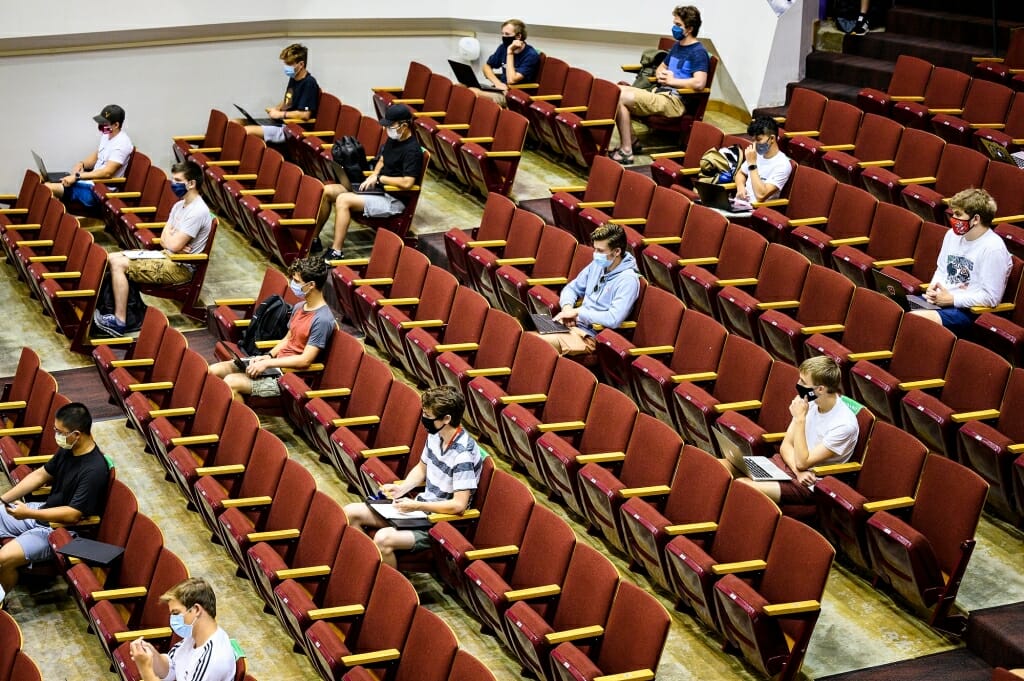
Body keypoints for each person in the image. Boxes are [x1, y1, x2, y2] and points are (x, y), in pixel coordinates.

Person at [342, 386, 484, 568]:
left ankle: (392, 591)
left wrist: (417, 505)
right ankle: (369, 569)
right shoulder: (436, 434)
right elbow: (422, 468)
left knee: (383, 539)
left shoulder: (462, 455)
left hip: (439, 522)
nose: (423, 419)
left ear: (446, 419)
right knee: (350, 513)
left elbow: (458, 506)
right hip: (419, 510)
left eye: (428, 415)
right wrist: (402, 489)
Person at [0, 402, 108, 606]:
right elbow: (41, 474)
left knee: (4, 557)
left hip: (62, 531)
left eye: (60, 431)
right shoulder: (68, 449)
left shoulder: (94, 470)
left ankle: (1, 600)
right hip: (41, 513)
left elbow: (73, 514)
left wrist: (29, 514)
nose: (56, 435)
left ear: (77, 434)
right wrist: (3, 499)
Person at [93, 160, 213, 336]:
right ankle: (119, 312)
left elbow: (172, 243)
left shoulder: (198, 211)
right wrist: (171, 241)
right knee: (111, 257)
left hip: (181, 267)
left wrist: (172, 242)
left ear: (192, 183)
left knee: (119, 265)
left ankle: (119, 321)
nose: (174, 184)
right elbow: (165, 240)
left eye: (178, 181)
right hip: (167, 256)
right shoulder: (179, 205)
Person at [727, 356, 859, 505]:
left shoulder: (844, 425)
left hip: (808, 484)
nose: (798, 384)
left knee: (742, 485)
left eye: (803, 381)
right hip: (786, 466)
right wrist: (797, 471)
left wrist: (800, 419)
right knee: (723, 467)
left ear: (820, 389)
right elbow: (785, 446)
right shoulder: (810, 399)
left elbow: (804, 462)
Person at [208, 256, 334, 401]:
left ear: (311, 285)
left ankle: (241, 422)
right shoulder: (300, 307)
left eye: (297, 281)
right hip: (274, 364)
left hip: (290, 376)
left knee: (231, 382)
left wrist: (268, 363)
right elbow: (288, 339)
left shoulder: (322, 319)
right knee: (213, 371)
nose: (293, 284)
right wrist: (268, 356)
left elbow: (305, 360)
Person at [319, 104, 423, 262]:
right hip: (379, 190)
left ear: (404, 125)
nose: (388, 129)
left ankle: (336, 252)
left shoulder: (412, 151)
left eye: (391, 125)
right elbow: (382, 159)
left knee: (343, 200)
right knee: (327, 191)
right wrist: (373, 174)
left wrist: (381, 178)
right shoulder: (393, 140)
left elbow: (408, 182)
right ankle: (313, 241)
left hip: (393, 200)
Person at [610, 5, 709, 165]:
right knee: (614, 92)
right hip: (659, 93)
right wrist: (660, 74)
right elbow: (662, 66)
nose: (674, 28)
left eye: (678, 25)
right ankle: (631, 142)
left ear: (689, 28)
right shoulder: (678, 46)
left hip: (674, 102)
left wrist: (672, 81)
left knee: (620, 96)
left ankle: (627, 151)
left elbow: (699, 82)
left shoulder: (698, 52)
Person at [913, 188, 1012, 337]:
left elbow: (991, 298)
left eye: (958, 214)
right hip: (941, 301)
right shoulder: (951, 235)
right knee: (894, 308)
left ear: (976, 219)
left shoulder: (993, 249)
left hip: (968, 312)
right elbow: (941, 270)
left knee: (916, 320)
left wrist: (953, 299)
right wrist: (933, 290)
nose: (953, 218)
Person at [539, 223, 641, 356]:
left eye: (600, 251)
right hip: (572, 326)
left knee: (538, 345)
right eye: (595, 249)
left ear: (617, 251)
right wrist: (567, 308)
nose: (595, 254)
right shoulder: (597, 265)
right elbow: (571, 288)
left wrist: (578, 312)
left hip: (591, 336)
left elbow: (614, 318)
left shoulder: (628, 280)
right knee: (524, 336)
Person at [129, 577, 235, 681]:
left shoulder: (214, 659)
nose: (172, 620)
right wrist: (152, 655)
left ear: (196, 610)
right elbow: (172, 669)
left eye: (176, 613)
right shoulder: (194, 636)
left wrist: (145, 669)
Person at [45, 104, 133, 208]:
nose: (100, 125)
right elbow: (97, 156)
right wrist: (81, 164)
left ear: (116, 125)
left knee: (46, 188)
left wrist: (77, 177)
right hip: (89, 183)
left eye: (104, 123)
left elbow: (107, 173)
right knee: (45, 180)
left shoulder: (122, 144)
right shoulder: (106, 135)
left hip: (98, 191)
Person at [239, 43, 319, 145]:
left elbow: (305, 114)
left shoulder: (309, 83)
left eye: (289, 64)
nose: (286, 67)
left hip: (292, 128)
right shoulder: (294, 78)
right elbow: (288, 101)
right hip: (282, 122)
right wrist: (276, 109)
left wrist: (280, 114)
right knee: (237, 123)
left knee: (246, 131)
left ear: (301, 65)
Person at [473, 19, 541, 106]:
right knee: (461, 87)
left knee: (473, 92)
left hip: (514, 94)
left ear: (518, 37)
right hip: (500, 89)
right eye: (503, 33)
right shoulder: (503, 47)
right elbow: (486, 66)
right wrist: (497, 83)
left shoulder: (531, 55)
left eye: (507, 34)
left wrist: (510, 52)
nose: (504, 37)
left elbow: (511, 80)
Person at [732, 115, 792, 207]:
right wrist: (740, 188)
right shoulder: (757, 155)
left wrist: (752, 164)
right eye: (753, 140)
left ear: (772, 138)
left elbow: (761, 195)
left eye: (759, 140)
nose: (755, 144)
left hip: (757, 211)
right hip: (740, 205)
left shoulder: (783, 165)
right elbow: (740, 173)